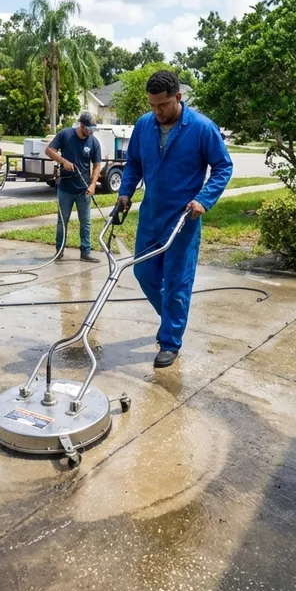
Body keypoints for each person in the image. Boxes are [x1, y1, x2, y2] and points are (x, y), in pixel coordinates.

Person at [117, 70, 233, 368]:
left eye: (163, 106)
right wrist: (125, 192)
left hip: (184, 217)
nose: (157, 112)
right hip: (151, 214)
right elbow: (134, 164)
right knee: (144, 274)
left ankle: (170, 341)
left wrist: (204, 200)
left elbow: (223, 167)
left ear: (178, 98)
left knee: (178, 283)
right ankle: (171, 320)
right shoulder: (144, 125)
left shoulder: (201, 128)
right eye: (152, 106)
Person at [45, 112, 103, 263]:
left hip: (83, 190)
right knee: (62, 222)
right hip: (65, 189)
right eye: (89, 128)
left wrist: (92, 184)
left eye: (93, 129)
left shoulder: (94, 143)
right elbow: (49, 150)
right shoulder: (66, 135)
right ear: (82, 126)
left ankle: (85, 252)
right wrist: (63, 161)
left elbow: (97, 166)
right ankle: (59, 251)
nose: (91, 132)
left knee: (86, 222)